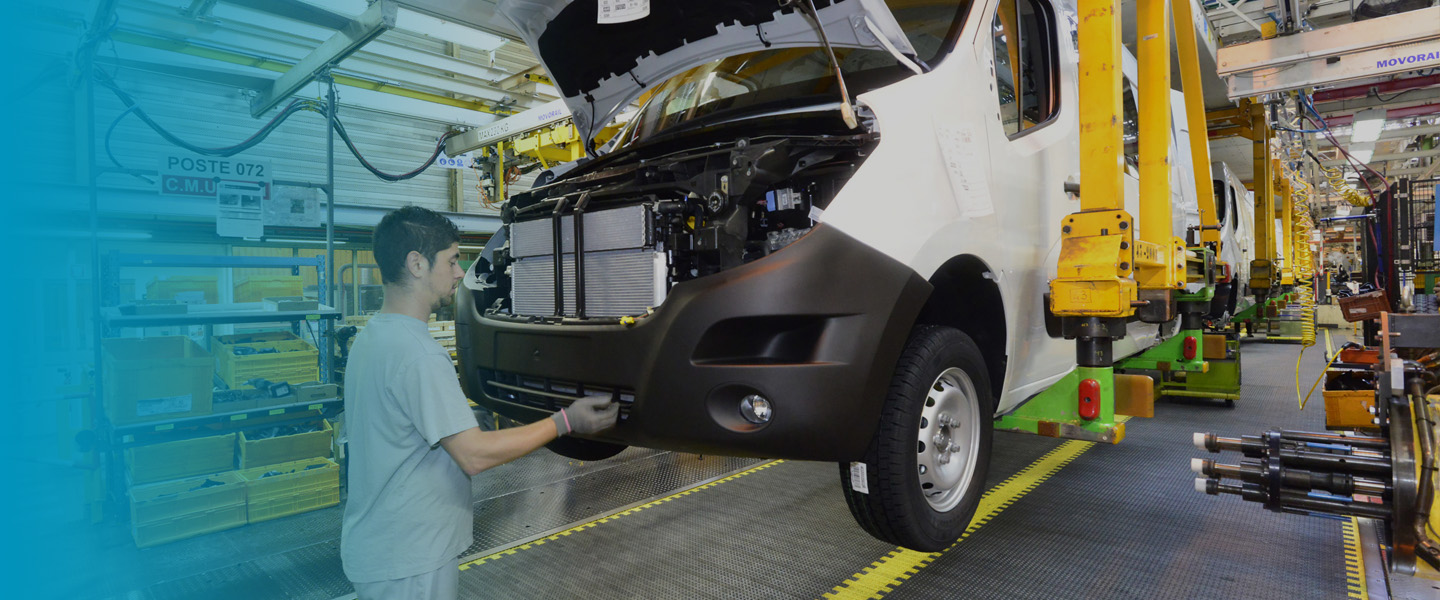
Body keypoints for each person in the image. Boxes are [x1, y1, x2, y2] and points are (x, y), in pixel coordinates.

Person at [341, 206, 618, 599]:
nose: (459, 272)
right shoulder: (418, 353)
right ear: (417, 264)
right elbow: (473, 456)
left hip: (382, 545)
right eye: (452, 261)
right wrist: (564, 422)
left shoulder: (372, 338)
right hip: (410, 559)